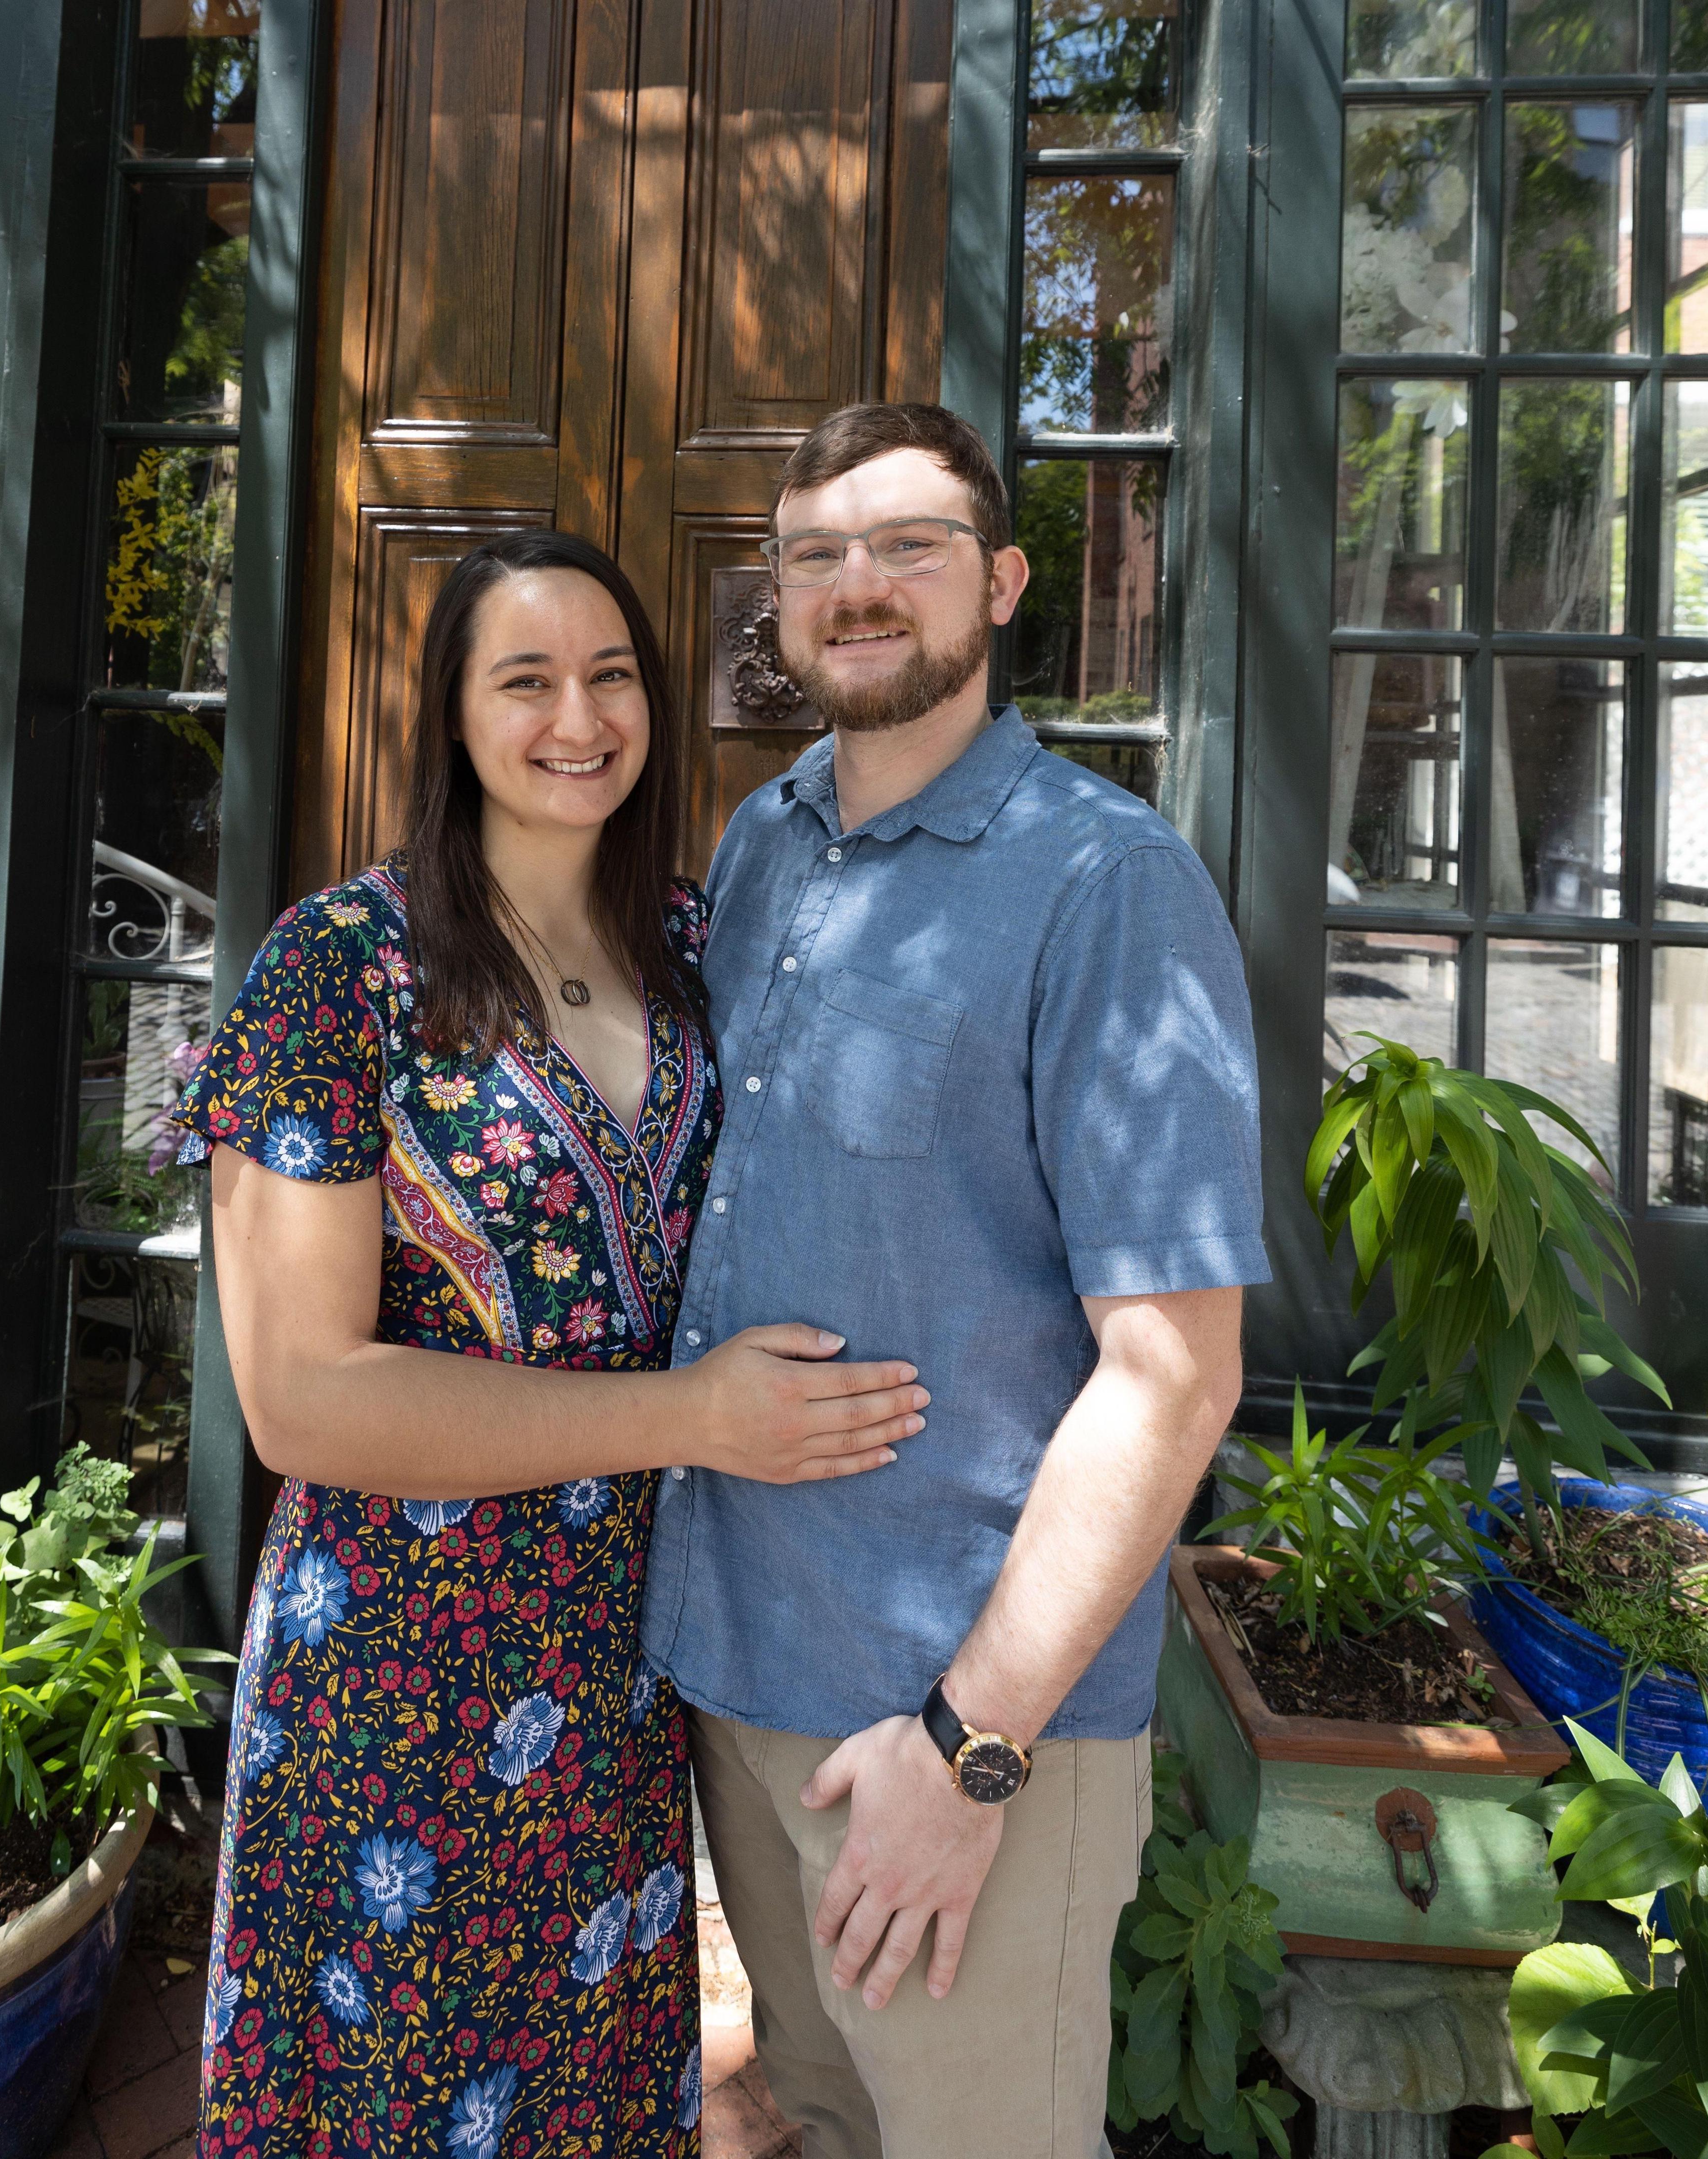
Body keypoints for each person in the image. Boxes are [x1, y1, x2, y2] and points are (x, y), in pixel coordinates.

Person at [171, 527, 928, 2159]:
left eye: (611, 675)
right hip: (399, 1691)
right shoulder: (338, 974)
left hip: (616, 1684)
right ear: (450, 716)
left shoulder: (690, 948)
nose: (578, 716)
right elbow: (302, 1399)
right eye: (525, 680)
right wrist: (690, 1418)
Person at [643, 402, 1268, 2159]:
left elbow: (1175, 1378)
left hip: (961, 1715)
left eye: (907, 547)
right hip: (744, 1663)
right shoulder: (766, 844)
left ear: (998, 585)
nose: (858, 588)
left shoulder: (1107, 887)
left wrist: (972, 1748)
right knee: (820, 2118)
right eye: (817, 555)